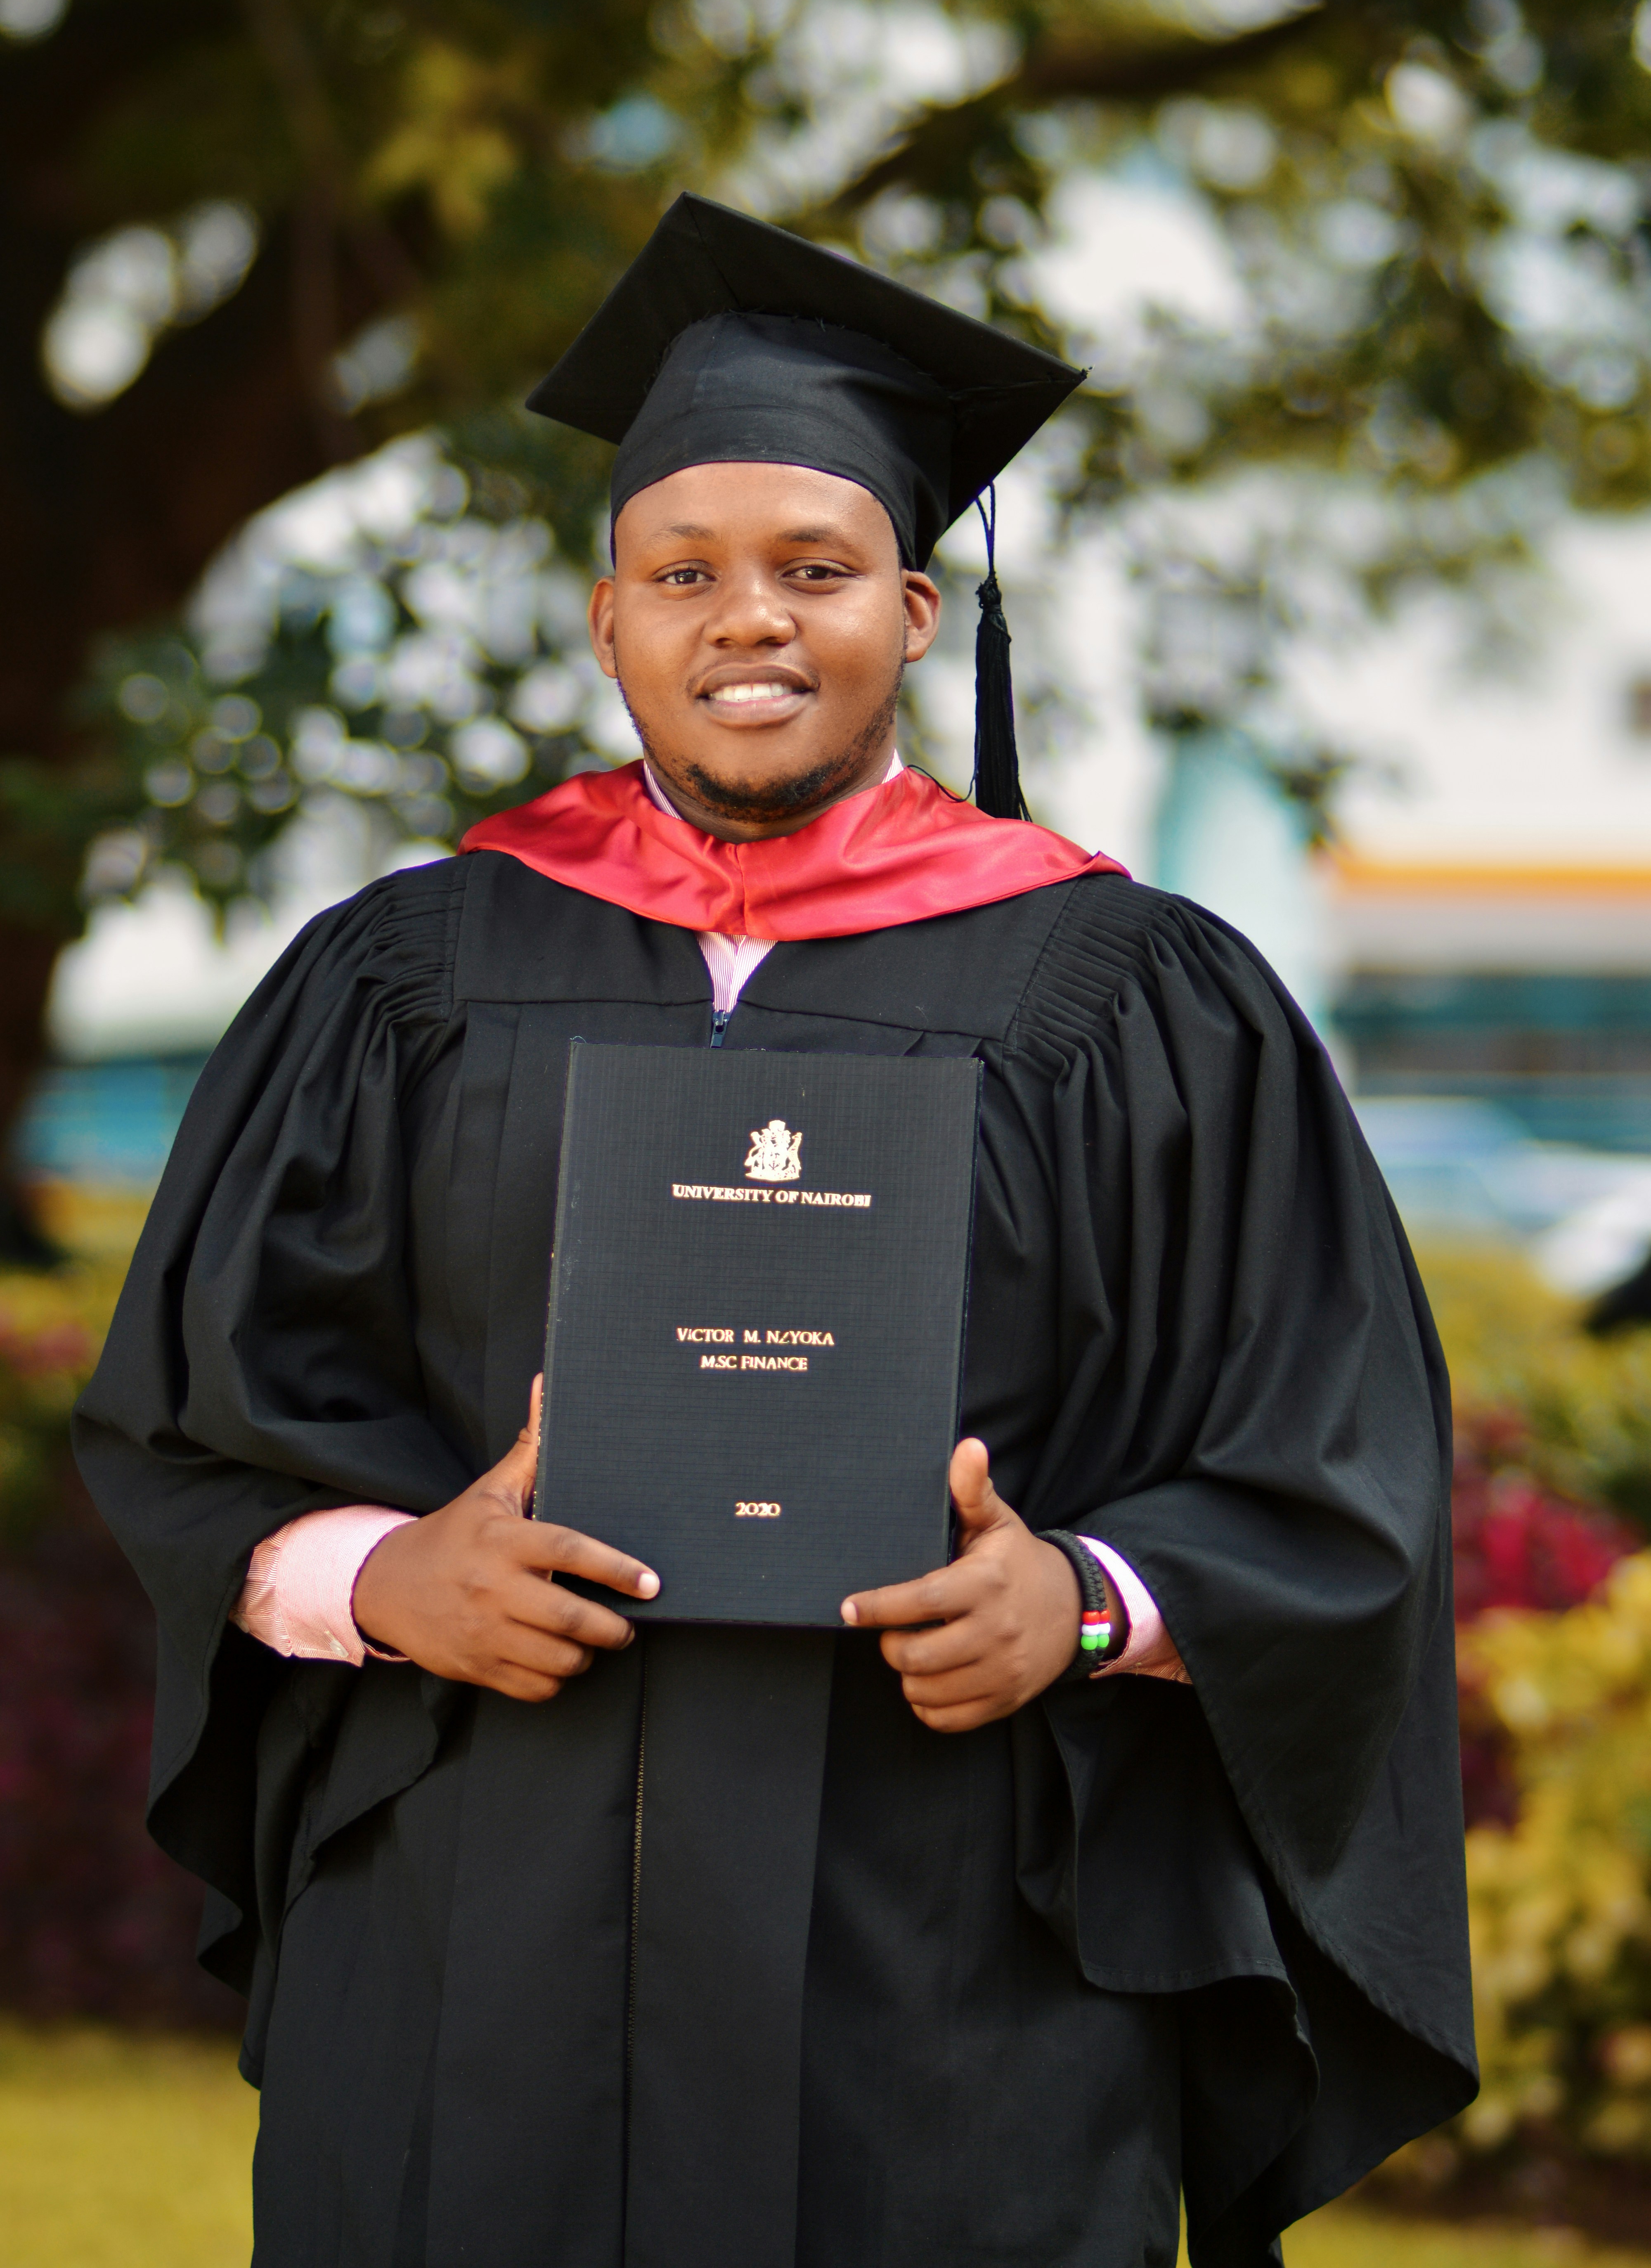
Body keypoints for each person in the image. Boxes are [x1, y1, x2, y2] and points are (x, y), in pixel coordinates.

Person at [75, 194, 1474, 2268]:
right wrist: (383, 1578)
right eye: (685, 571)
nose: (750, 618)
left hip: (953, 1974)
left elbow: (1331, 1455)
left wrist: (1086, 1603)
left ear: (912, 614)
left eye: (815, 569)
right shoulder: (402, 977)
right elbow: (183, 1424)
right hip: (475, 1948)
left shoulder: (1132, 996)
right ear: (604, 620)